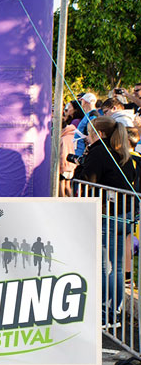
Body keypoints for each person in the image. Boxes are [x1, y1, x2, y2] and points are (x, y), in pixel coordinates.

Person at [75, 115, 136, 323]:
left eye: (89, 135)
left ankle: (103, 310)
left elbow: (86, 182)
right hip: (124, 214)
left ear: (99, 134)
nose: (88, 140)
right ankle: (113, 311)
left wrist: (79, 167)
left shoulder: (99, 152)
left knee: (104, 266)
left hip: (107, 215)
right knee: (116, 266)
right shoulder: (122, 151)